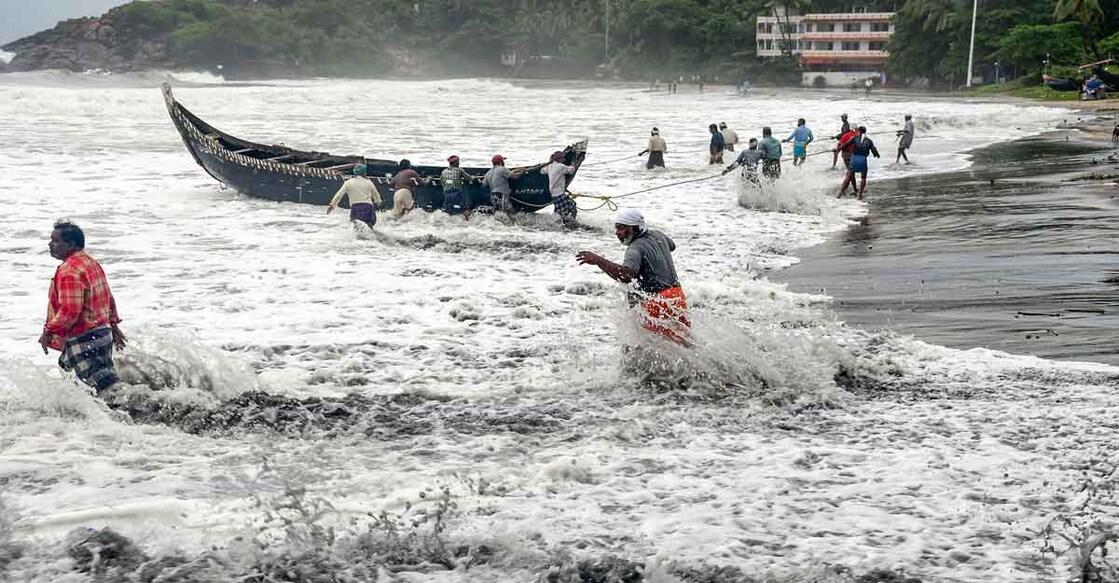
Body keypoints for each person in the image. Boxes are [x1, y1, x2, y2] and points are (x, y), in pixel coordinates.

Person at [575, 209, 689, 344]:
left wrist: (598, 260)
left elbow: (626, 275)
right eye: (617, 228)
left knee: (652, 348)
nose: (617, 233)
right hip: (677, 297)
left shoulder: (634, 249)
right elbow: (672, 246)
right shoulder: (658, 234)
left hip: (657, 303)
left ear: (636, 229)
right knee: (682, 343)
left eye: (622, 228)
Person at [40, 220, 127, 397]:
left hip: (84, 337)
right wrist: (113, 325)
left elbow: (70, 311)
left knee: (100, 389)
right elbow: (107, 295)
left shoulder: (69, 271)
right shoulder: (90, 262)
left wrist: (48, 331)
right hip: (102, 333)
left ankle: (124, 416)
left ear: (71, 244)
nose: (50, 244)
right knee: (84, 377)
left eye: (55, 241)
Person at [328, 163, 381, 228]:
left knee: (356, 228)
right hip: (368, 207)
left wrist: (332, 205)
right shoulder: (369, 182)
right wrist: (378, 202)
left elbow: (339, 195)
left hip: (356, 208)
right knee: (370, 227)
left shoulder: (348, 182)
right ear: (364, 173)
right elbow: (376, 195)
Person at [836, 126, 880, 199]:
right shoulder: (869, 141)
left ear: (859, 131)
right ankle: (859, 194)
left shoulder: (855, 138)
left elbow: (846, 144)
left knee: (848, 175)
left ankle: (840, 192)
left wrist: (838, 149)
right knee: (863, 178)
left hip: (854, 159)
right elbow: (874, 150)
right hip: (863, 160)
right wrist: (877, 155)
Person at [541, 150, 577, 226]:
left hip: (554, 194)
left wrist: (549, 162)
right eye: (563, 158)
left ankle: (558, 223)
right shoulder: (560, 166)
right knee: (573, 207)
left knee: (559, 212)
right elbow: (571, 170)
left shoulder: (550, 166)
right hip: (559, 193)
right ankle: (572, 223)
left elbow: (542, 171)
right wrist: (573, 163)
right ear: (560, 159)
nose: (564, 159)